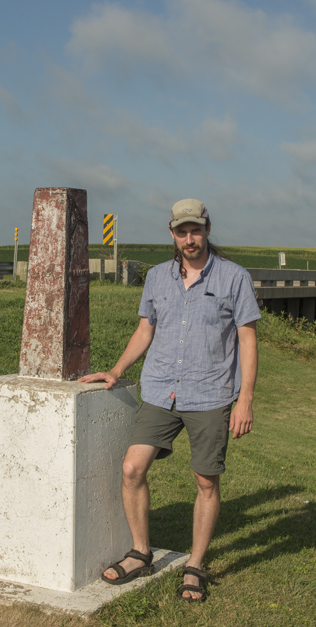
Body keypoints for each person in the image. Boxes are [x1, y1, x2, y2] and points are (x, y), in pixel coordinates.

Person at [79, 198, 260, 603]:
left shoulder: (234, 278)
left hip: (211, 394)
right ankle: (141, 552)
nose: (190, 238)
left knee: (205, 481)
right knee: (131, 468)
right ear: (172, 234)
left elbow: (247, 339)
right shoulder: (157, 277)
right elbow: (146, 328)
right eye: (182, 231)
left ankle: (194, 565)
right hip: (161, 389)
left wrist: (244, 398)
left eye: (196, 230)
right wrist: (117, 370)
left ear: (207, 230)